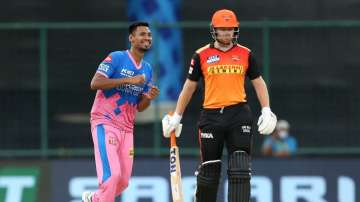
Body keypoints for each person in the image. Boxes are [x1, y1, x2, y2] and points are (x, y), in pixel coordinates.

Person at [162, 9, 277, 202]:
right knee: (209, 171)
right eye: (222, 29)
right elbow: (189, 87)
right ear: (214, 30)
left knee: (240, 167)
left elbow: (259, 82)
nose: (226, 33)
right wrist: (177, 116)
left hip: (239, 114)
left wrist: (266, 109)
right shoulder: (201, 55)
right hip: (211, 117)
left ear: (235, 30)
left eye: (230, 29)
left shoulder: (246, 54)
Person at [82, 21, 160, 202]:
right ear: (131, 39)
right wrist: (129, 80)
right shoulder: (116, 58)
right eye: (142, 34)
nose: (147, 38)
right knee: (111, 176)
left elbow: (139, 106)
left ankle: (94, 199)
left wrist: (148, 97)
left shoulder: (147, 69)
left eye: (149, 35)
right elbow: (95, 83)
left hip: (127, 129)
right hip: (105, 122)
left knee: (123, 182)